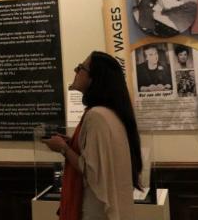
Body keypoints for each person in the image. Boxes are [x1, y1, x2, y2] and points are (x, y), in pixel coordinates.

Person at [42, 51, 142, 220]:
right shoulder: (111, 112)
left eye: (80, 68)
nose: (75, 70)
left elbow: (91, 171)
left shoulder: (96, 115)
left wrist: (63, 148)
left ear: (94, 78)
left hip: (96, 211)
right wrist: (71, 144)